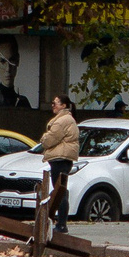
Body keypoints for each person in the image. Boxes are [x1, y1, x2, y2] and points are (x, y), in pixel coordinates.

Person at [37, 94, 81, 241]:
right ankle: (60, 222)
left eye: (55, 103)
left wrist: (43, 138)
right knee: (60, 189)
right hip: (63, 158)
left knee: (59, 190)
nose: (53, 106)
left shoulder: (62, 121)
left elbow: (49, 140)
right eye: (52, 103)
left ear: (63, 106)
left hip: (60, 158)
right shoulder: (66, 119)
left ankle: (61, 224)